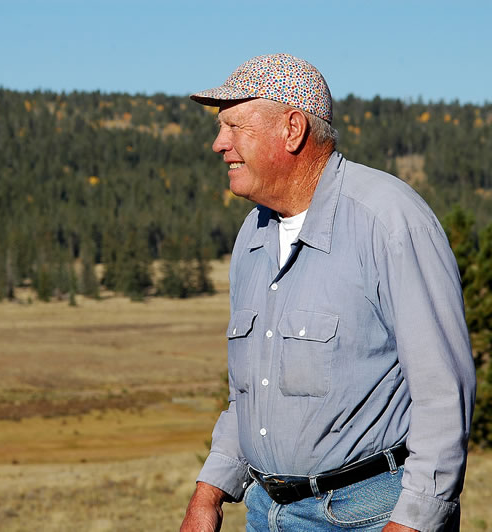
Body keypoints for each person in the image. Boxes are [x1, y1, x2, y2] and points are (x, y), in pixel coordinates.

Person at [179, 53, 476, 532]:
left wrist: (415, 521)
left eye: (234, 126)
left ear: (292, 129)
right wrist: (207, 494)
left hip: (372, 516)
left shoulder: (388, 221)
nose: (219, 144)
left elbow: (444, 392)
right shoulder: (251, 237)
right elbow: (249, 396)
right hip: (264, 512)